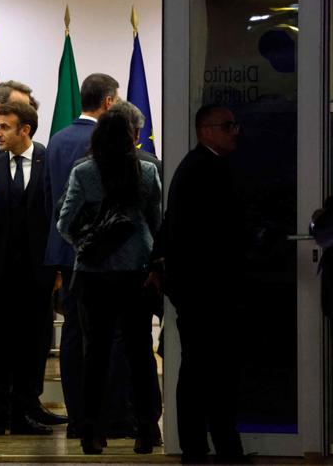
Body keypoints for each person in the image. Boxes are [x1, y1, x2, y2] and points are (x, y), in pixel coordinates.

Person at [57, 109, 161, 455]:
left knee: (96, 353)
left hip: (94, 276)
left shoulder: (84, 172)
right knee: (140, 352)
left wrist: (88, 244)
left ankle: (91, 432)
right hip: (137, 272)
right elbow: (156, 223)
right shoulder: (146, 171)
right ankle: (146, 431)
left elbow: (65, 222)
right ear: (133, 137)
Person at [159, 104, 245, 464]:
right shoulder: (200, 169)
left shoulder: (205, 167)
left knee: (207, 370)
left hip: (204, 288)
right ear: (205, 131)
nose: (235, 131)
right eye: (227, 126)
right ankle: (204, 448)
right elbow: (195, 236)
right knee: (202, 372)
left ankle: (211, 446)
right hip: (203, 291)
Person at [0, 101, 56, 437]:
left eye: (4, 126)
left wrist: (58, 266)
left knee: (32, 345)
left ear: (25, 130)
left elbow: (57, 218)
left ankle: (23, 411)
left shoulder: (49, 163)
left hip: (38, 271)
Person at [44, 73, 119, 438]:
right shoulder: (103, 140)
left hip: (63, 249)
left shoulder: (56, 140)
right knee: (103, 332)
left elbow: (49, 199)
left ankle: (76, 417)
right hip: (100, 253)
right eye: (116, 100)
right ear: (107, 102)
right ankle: (99, 416)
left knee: (73, 332)